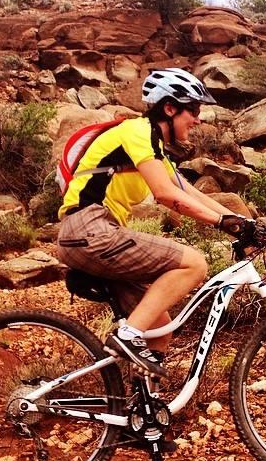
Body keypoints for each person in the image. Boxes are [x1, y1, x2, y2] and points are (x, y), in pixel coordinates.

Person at [56, 68, 251, 378]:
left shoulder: (153, 147)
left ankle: (144, 416)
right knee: (194, 264)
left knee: (159, 328)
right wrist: (221, 223)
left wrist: (242, 220)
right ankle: (126, 335)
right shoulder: (137, 131)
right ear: (170, 108)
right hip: (89, 229)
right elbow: (164, 194)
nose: (197, 119)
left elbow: (184, 190)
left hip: (98, 234)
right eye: (194, 110)